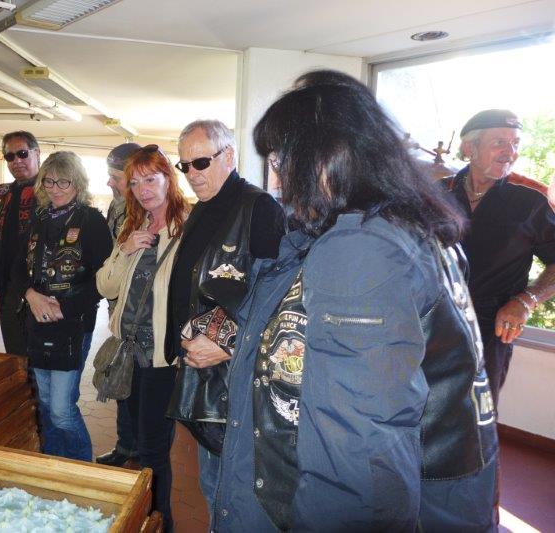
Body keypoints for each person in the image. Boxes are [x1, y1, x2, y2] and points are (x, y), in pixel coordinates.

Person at [213, 70, 498, 532]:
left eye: (281, 161)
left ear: (329, 157)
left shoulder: (363, 248)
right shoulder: (410, 231)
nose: (276, 180)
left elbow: (357, 448)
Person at [166, 119, 285, 509]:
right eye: (184, 166)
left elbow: (278, 298)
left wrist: (229, 344)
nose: (191, 174)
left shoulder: (259, 208)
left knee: (231, 488)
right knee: (212, 483)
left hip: (237, 374)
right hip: (202, 370)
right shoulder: (202, 208)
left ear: (229, 156)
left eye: (201, 163)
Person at [96, 145, 188, 531]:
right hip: (129, 351)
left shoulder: (188, 228)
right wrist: (124, 249)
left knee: (153, 449)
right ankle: (145, 516)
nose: (143, 189)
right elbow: (105, 285)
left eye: (151, 179)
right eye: (134, 183)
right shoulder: (134, 226)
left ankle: (161, 522)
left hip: (163, 356)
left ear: (169, 178)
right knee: (136, 440)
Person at [442, 109, 555, 406]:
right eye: (499, 143)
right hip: (433, 321)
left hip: (490, 329)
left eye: (515, 143)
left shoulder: (530, 202)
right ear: (470, 147)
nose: (510, 152)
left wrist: (526, 301)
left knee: (478, 412)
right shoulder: (438, 194)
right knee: (425, 406)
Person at [17, 151, 112, 461]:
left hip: (72, 323)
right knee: (45, 403)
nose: (55, 189)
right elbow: (17, 267)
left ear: (78, 183)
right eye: (49, 181)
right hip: (36, 319)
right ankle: (55, 463)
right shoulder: (38, 218)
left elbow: (103, 278)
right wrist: (30, 294)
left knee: (60, 408)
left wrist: (66, 307)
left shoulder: (91, 220)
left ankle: (84, 468)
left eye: (64, 182)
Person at [95, 141, 143, 468]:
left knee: (138, 387)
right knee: (121, 379)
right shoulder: (117, 207)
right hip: (118, 310)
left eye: (116, 177)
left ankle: (140, 452)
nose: (109, 182)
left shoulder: (152, 213)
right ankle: (126, 446)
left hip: (140, 317)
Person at [0, 131, 40, 357]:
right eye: (10, 156)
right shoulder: (0, 193)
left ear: (36, 153)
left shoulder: (51, 190)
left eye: (22, 154)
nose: (16, 161)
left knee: (39, 356)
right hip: (6, 284)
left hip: (38, 285)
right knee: (14, 352)